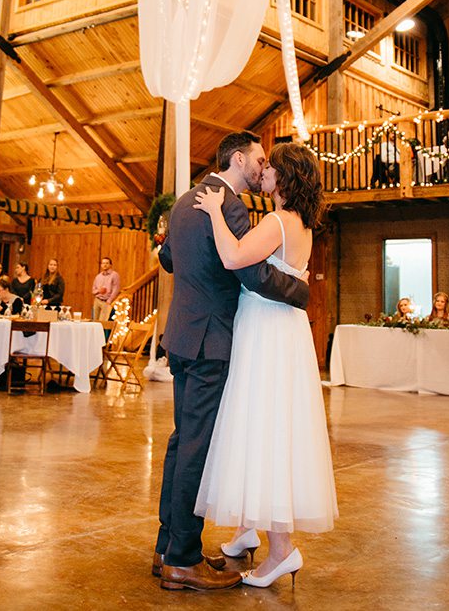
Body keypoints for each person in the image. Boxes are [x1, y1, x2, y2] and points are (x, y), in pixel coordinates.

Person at [153, 131, 310, 593]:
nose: (263, 167)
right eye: (259, 159)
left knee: (182, 443)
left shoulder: (185, 201)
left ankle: (167, 545)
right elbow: (251, 270)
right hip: (210, 342)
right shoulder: (230, 205)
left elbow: (167, 257)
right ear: (238, 160)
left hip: (180, 335)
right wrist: (300, 289)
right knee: (196, 449)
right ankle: (182, 559)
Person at [193, 142, 337, 589]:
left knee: (264, 427)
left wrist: (216, 212)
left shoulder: (278, 221)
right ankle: (245, 531)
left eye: (271, 167)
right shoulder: (302, 225)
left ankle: (280, 551)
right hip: (283, 328)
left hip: (267, 330)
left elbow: (235, 257)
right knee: (262, 425)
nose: (264, 170)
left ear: (285, 179)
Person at [91, 257, 120, 322]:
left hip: (106, 301)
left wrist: (109, 301)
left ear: (110, 265)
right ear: (101, 265)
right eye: (103, 263)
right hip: (97, 300)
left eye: (107, 263)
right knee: (94, 322)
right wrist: (98, 291)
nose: (105, 265)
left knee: (102, 323)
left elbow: (116, 289)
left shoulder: (114, 275)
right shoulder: (98, 276)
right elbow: (93, 290)